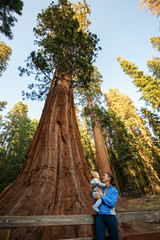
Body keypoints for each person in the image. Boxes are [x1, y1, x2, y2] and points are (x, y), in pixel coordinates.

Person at [94, 172, 119, 240]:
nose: (103, 177)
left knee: (114, 237)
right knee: (99, 238)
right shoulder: (99, 189)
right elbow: (96, 202)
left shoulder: (114, 191)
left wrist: (102, 195)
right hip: (99, 216)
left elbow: (112, 204)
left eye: (105, 175)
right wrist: (95, 198)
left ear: (109, 178)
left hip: (110, 216)